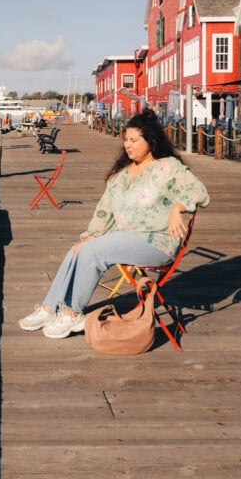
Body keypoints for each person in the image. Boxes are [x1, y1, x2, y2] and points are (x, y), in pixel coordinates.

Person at [18, 110, 210, 339]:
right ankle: (50, 308)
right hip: (124, 238)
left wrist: (178, 207)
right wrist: (90, 234)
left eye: (134, 140)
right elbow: (104, 211)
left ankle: (72, 314)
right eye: (126, 140)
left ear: (150, 141)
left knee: (94, 252)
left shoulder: (166, 167)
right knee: (78, 248)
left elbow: (199, 191)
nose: (128, 145)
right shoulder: (121, 175)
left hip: (156, 241)